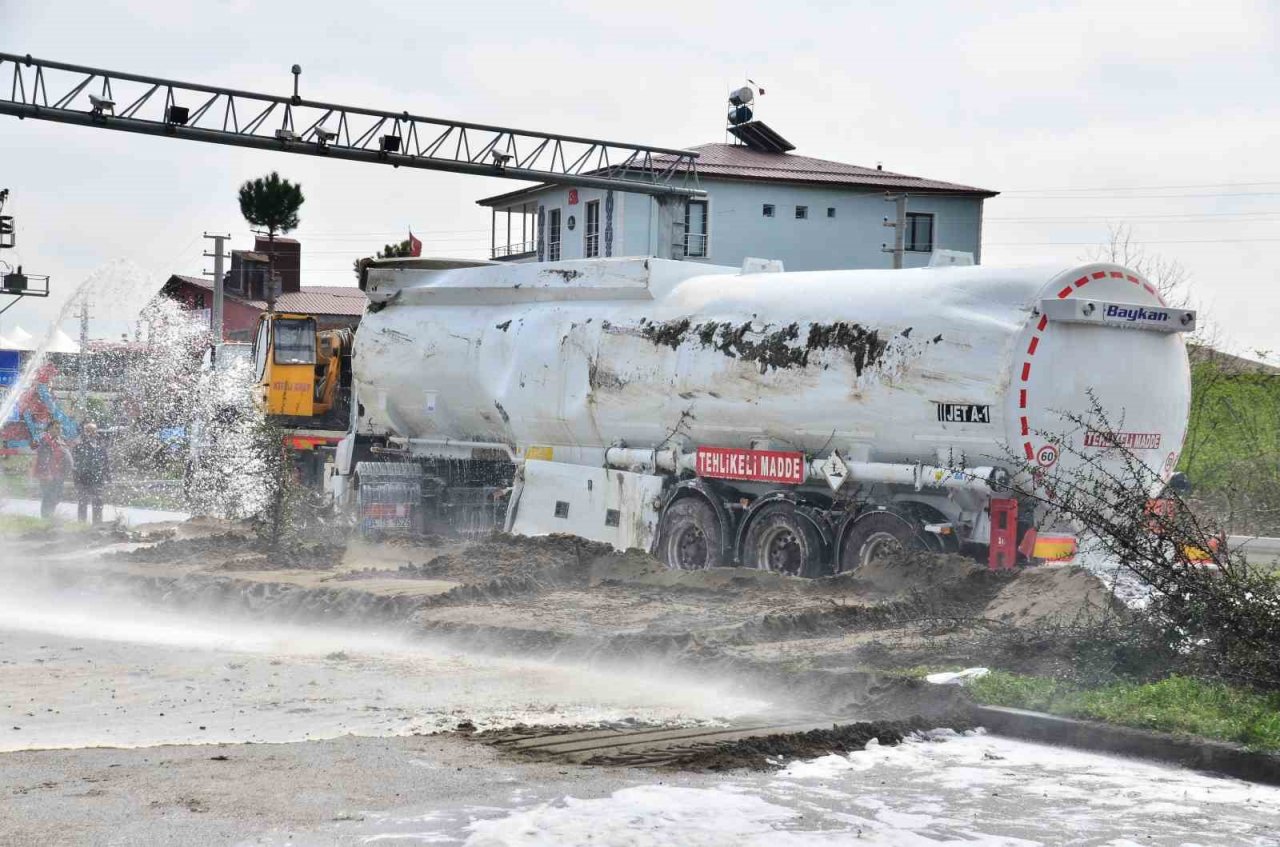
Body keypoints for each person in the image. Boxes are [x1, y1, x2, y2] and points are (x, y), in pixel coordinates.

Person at [32, 420, 73, 520]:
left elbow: (65, 455)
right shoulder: (44, 440)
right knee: (48, 496)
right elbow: (43, 459)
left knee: (56, 496)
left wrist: (66, 471)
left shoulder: (61, 440)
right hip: (47, 475)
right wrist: (46, 473)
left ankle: (50, 515)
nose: (59, 430)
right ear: (50, 429)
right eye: (56, 428)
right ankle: (46, 517)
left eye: (60, 428)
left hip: (59, 475)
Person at [73, 421, 111, 524]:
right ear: (85, 432)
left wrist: (108, 476)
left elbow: (105, 462)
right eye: (88, 431)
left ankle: (97, 524)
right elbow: (75, 464)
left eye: (93, 431)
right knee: (83, 502)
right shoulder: (79, 446)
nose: (91, 433)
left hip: (97, 479)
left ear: (96, 432)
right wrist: (76, 479)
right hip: (83, 478)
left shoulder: (100, 447)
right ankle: (81, 523)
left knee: (98, 501)